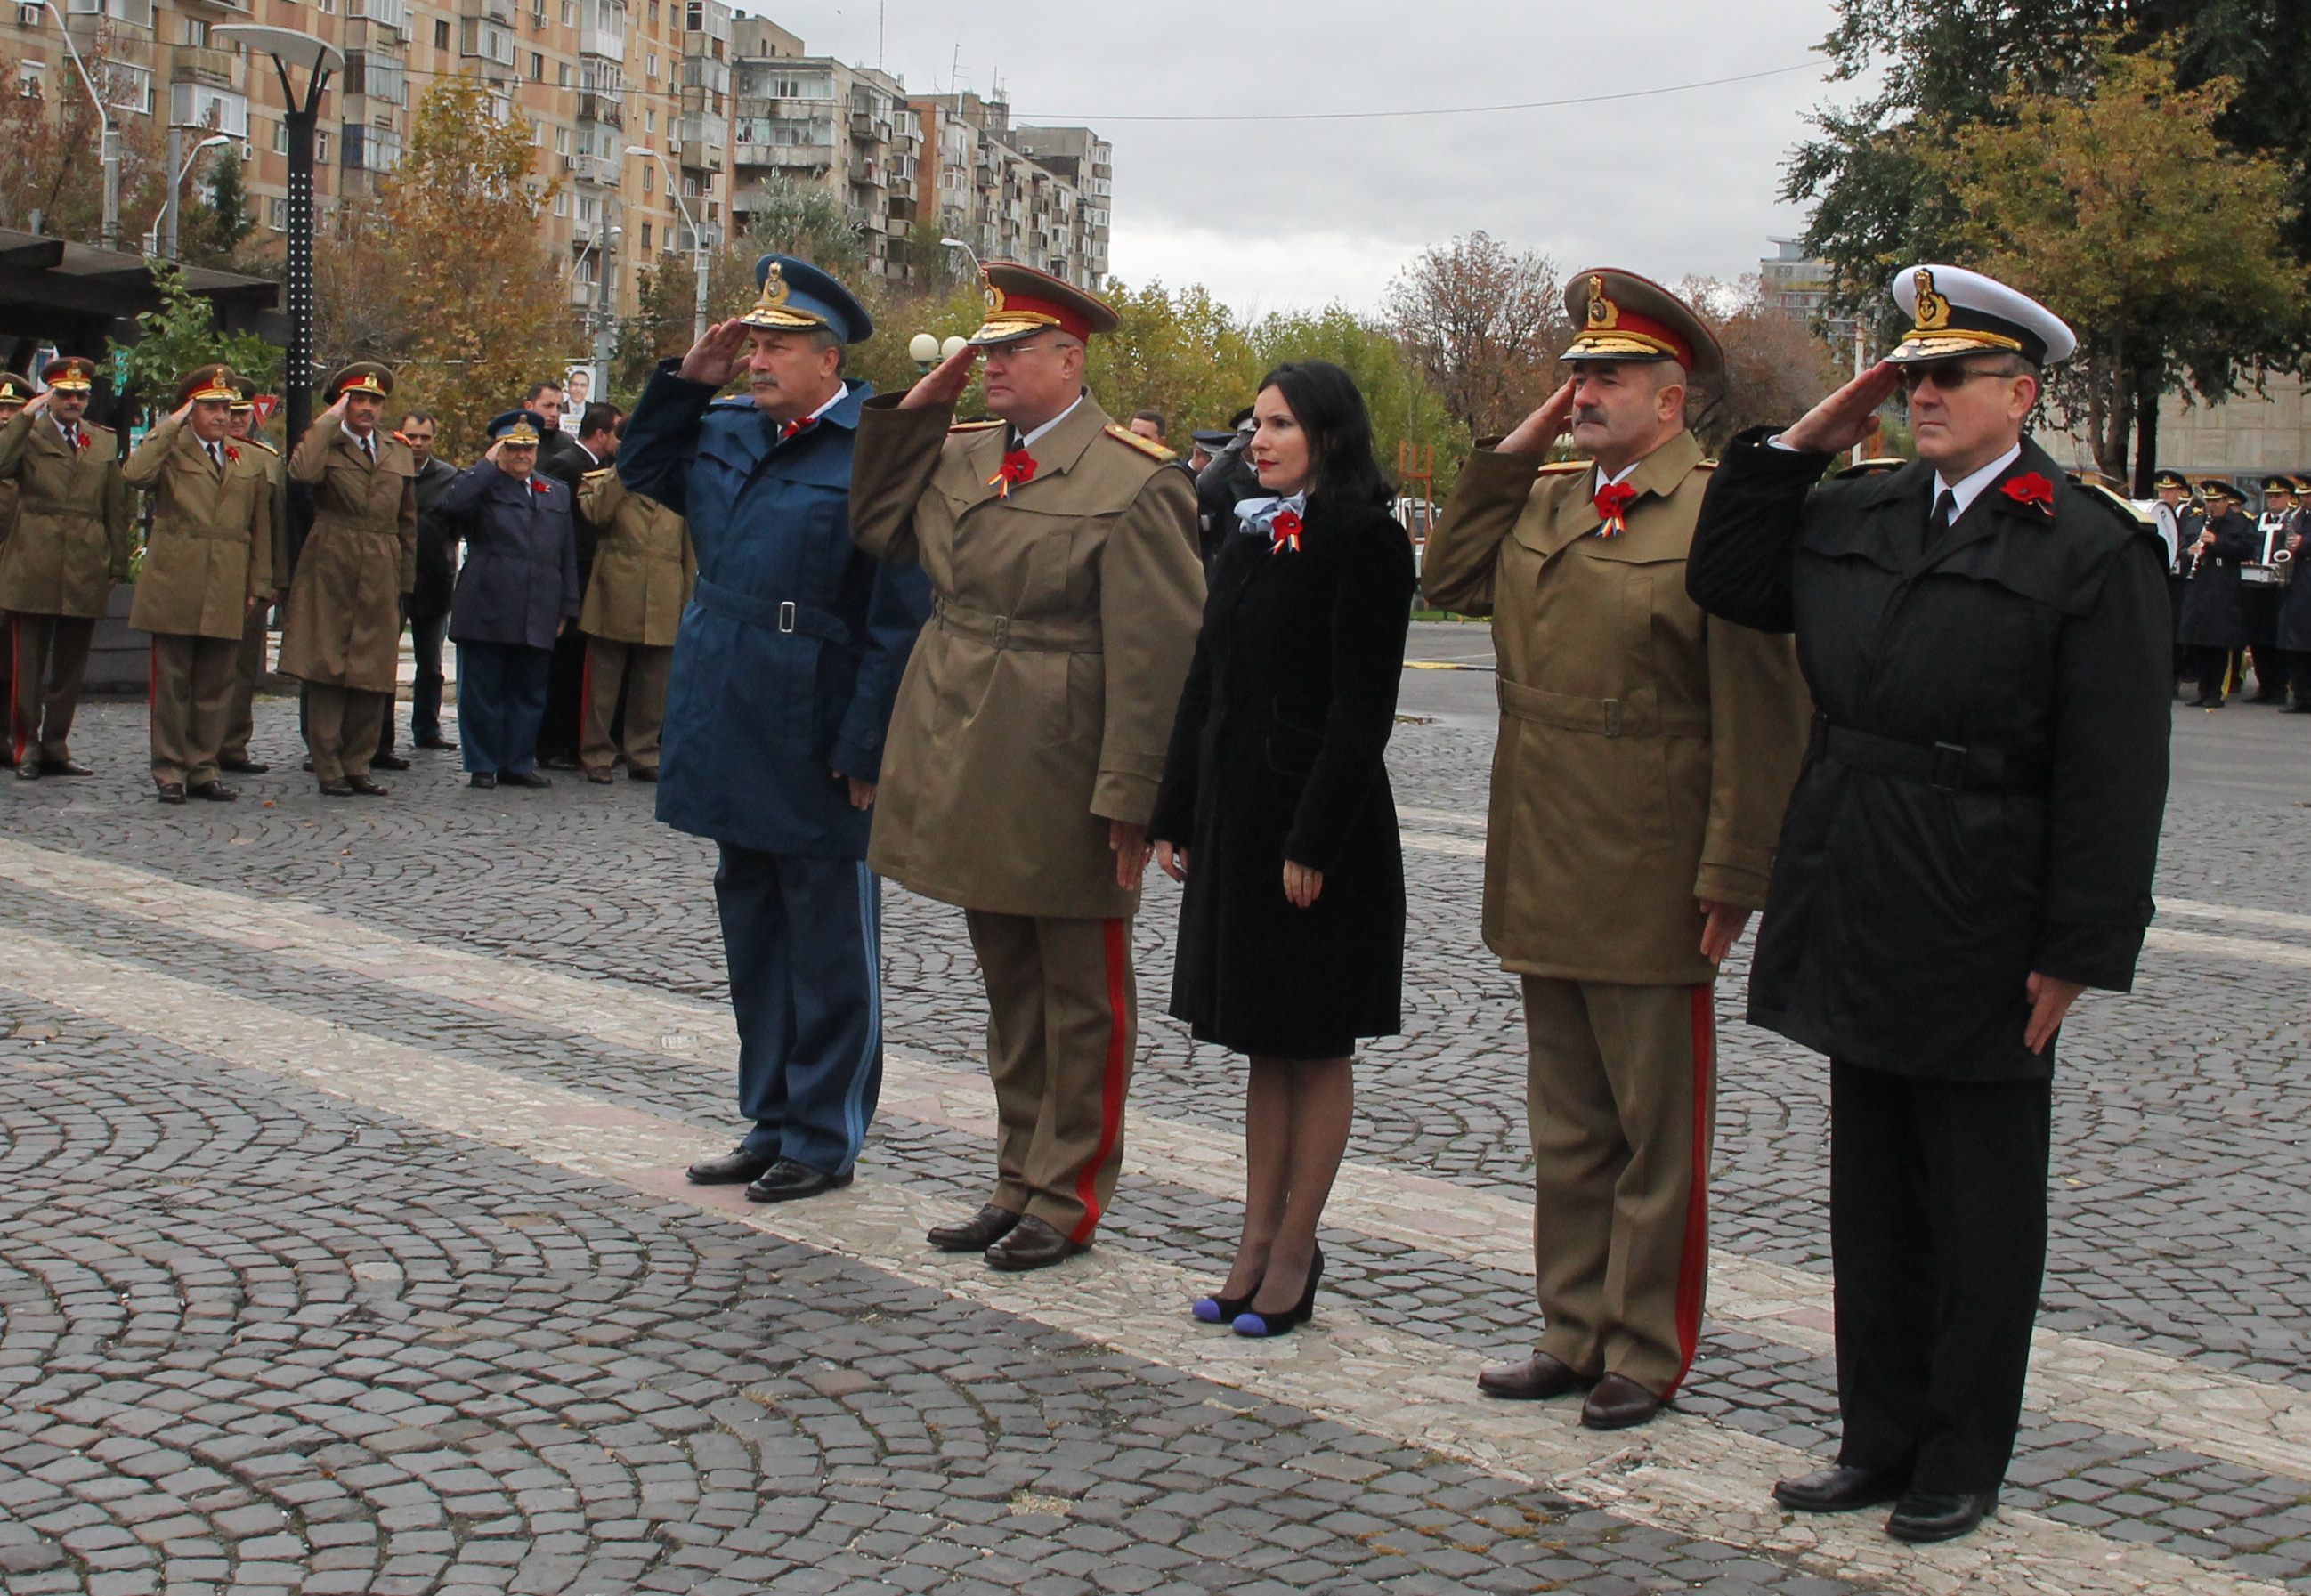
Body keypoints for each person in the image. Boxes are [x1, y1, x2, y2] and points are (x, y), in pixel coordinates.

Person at [1686, 263, 2170, 1544]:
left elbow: (2119, 766)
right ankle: (1877, 1436)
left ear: (2021, 391)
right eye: (1911, 373)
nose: (1925, 393)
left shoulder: (2086, 541)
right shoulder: (1864, 506)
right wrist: (1801, 441)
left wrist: (2079, 947)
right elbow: (1729, 577)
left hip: (1987, 890)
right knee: (1876, 1192)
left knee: (1982, 1203)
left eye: (1950, 375)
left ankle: (1963, 1451)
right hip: (1857, 870)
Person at [1423, 270, 1810, 1431]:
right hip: (1544, 847)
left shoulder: (1714, 512)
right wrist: (1519, 445)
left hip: (1652, 859)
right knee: (1569, 1122)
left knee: (1655, 1133)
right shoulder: (1543, 501)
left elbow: (1760, 708)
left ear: (1671, 394)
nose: (1582, 391)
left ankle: (1645, 1345)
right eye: (1574, 374)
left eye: (1607, 376)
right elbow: (1444, 580)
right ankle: (1568, 1325)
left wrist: (1736, 872)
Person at [850, 261, 1204, 1269]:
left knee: (1080, 992)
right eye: (985, 348)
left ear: (1069, 360)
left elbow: (1158, 655)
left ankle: (1069, 1190)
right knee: (1008, 981)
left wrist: (1136, 795)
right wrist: (918, 406)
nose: (988, 364)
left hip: (1063, 760)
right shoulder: (959, 453)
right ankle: (1014, 1175)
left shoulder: (1135, 479)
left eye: (1009, 352)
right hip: (966, 745)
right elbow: (874, 524)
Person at [619, 254, 930, 1202]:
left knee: (830, 935)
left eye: (777, 345)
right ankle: (769, 1116)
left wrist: (867, 743)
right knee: (751, 923)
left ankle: (824, 1133)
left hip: (816, 713)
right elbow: (641, 466)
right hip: (727, 702)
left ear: (828, 359)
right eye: (752, 342)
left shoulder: (874, 449)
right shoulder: (726, 428)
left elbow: (897, 614)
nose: (757, 358)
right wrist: (685, 379)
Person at [1147, 360, 1415, 1338]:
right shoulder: (1252, 537)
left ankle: (1296, 1250)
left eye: (1279, 425)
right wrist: (1172, 810)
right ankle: (1253, 1240)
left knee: (1315, 1037)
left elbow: (1361, 708)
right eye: (1254, 423)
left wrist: (1315, 836)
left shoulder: (1367, 541)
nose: (1255, 440)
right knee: (1264, 1040)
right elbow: (1202, 679)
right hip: (1238, 818)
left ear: (1330, 436)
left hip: (1317, 832)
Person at [118, 365, 274, 804]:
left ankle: (204, 767)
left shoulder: (243, 456)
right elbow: (134, 474)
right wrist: (171, 424)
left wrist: (258, 583)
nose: (222, 415)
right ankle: (169, 769)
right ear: (190, 409)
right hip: (177, 579)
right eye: (210, 407)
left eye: (226, 407)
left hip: (226, 579)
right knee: (172, 683)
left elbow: (258, 525)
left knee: (216, 683)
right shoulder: (171, 449)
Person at [280, 362, 417, 798]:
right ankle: (327, 764)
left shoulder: (397, 451)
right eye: (359, 399)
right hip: (332, 557)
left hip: (381, 561)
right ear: (343, 403)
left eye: (375, 401)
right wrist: (326, 422)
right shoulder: (326, 444)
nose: (368, 408)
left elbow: (408, 521)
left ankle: (359, 761)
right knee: (327, 666)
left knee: (373, 668)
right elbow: (300, 474)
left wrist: (405, 583)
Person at [0, 356, 132, 781]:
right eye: (65, 394)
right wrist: (23, 415)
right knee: (27, 665)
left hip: (84, 560)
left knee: (71, 666)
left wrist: (116, 558)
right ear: (49, 395)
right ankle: (26, 746)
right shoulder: (27, 434)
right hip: (34, 556)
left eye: (81, 395)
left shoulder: (102, 440)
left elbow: (116, 506)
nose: (74, 401)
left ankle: (56, 744)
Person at [439, 410, 580, 790]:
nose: (523, 456)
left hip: (539, 606)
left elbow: (566, 552)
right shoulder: (481, 485)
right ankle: (483, 764)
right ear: (498, 448)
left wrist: (567, 606)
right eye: (513, 448)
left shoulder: (554, 491)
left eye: (529, 448)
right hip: (487, 603)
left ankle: (518, 763)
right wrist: (487, 465)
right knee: (483, 690)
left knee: (529, 691)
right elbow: (451, 506)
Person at [576, 421, 694, 782]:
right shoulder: (603, 481)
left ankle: (643, 753)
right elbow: (596, 515)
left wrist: (688, 603)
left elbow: (689, 552)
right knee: (603, 685)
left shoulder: (680, 487)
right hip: (615, 592)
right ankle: (596, 754)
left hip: (664, 594)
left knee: (654, 684)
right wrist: (623, 470)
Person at [536, 399, 620, 769]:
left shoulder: (600, 466)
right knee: (563, 667)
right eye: (617, 433)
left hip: (590, 578)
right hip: (571, 576)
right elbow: (561, 526)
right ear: (600, 433)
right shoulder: (568, 464)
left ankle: (571, 740)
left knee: (578, 667)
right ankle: (553, 744)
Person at [217, 382, 288, 775]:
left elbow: (276, 526)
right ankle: (201, 744)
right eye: (230, 412)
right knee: (207, 668)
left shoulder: (266, 459)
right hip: (209, 573)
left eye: (243, 413)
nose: (237, 420)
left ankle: (233, 745)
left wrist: (274, 581)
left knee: (244, 668)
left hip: (250, 576)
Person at [399, 410, 461, 750]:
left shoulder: (449, 477)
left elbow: (455, 528)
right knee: (379, 662)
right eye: (412, 436)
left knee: (430, 664)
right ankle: (380, 736)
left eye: (424, 437)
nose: (418, 444)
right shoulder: (390, 470)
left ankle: (427, 729)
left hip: (434, 580)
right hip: (392, 580)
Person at [2176, 478, 2254, 707]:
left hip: (2223, 588)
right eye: (2208, 501)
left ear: (2226, 501)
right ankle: (2202, 691)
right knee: (2198, 641)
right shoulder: (2198, 520)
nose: (2211, 506)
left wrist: (2217, 542)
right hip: (2199, 586)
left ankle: (2215, 692)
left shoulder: (2239, 522)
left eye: (2216, 501)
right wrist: (2189, 551)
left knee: (2218, 643)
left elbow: (2247, 549)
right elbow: (2182, 547)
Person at [2247, 474, 2299, 701]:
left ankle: (2279, 686)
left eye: (2277, 496)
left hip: (2283, 586)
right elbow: (2250, 544)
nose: (2272, 500)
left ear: (2289, 497)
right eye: (2269, 496)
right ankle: (2264, 684)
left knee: (2278, 636)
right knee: (2258, 637)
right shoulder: (2259, 519)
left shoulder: (2295, 519)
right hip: (2258, 585)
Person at [2274, 475, 2311, 712]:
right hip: (2298, 585)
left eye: (2309, 495)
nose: (2306, 500)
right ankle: (2301, 696)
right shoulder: (2298, 517)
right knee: (2296, 643)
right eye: (2304, 496)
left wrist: (2304, 542)